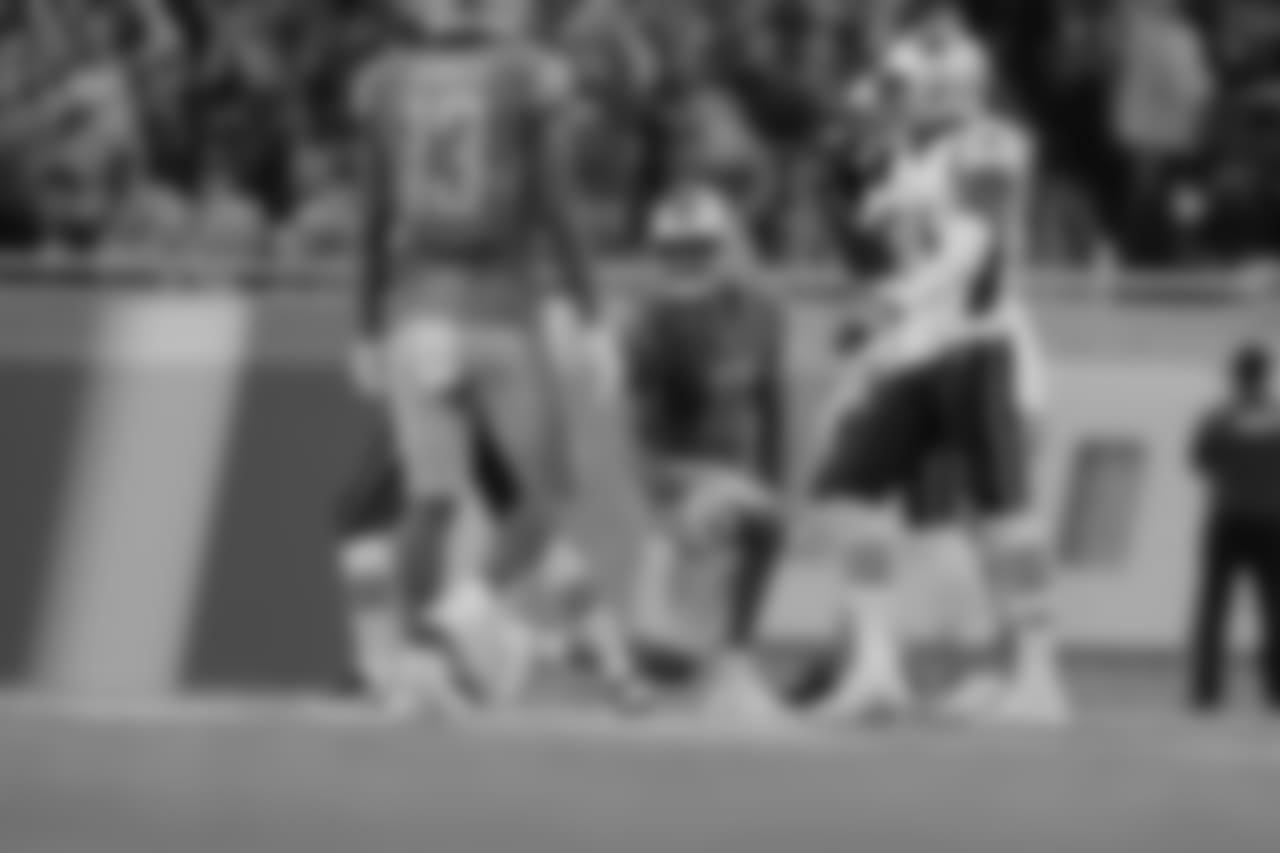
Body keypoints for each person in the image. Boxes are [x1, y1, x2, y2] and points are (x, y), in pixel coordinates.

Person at [349, 0, 617, 713]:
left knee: (430, 501)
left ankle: (415, 668)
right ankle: (452, 622)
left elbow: (372, 218)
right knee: (546, 500)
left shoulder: (385, 79)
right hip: (500, 310)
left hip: (415, 311)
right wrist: (591, 310)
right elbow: (555, 204)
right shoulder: (527, 72)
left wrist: (365, 327)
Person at [805, 13, 1070, 726]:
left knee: (1004, 519)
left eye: (899, 86)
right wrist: (840, 189)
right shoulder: (907, 156)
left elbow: (971, 251)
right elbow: (872, 237)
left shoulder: (989, 143)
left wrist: (889, 305)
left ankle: (1037, 677)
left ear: (942, 86)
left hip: (981, 348)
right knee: (848, 492)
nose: (885, 98)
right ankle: (875, 668)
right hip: (919, 351)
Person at [624, 184, 788, 721]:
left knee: (766, 521)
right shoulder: (651, 320)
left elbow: (772, 401)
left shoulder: (762, 311)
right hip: (674, 472)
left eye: (699, 248)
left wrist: (775, 479)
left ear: (726, 247)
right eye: (675, 250)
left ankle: (732, 668)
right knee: (665, 658)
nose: (688, 262)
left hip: (730, 475)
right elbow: (640, 429)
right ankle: (669, 655)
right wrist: (670, 494)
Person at [1188, 342, 1280, 714]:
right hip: (1271, 521)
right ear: (1266, 375)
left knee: (1213, 608)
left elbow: (1199, 460)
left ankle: (1207, 691)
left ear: (1236, 376)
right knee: (1274, 609)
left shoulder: (1219, 418)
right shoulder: (1276, 417)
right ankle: (1275, 690)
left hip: (1227, 518)